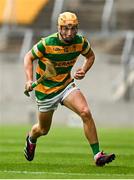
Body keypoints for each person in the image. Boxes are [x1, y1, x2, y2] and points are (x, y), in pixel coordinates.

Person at [24, 12, 115, 166]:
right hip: (45, 91)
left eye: (73, 29)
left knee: (85, 112)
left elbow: (90, 56)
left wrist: (84, 69)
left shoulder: (80, 42)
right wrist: (29, 80)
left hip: (66, 85)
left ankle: (98, 155)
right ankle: (31, 137)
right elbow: (28, 57)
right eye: (66, 28)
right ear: (59, 28)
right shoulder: (47, 43)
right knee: (43, 130)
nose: (70, 33)